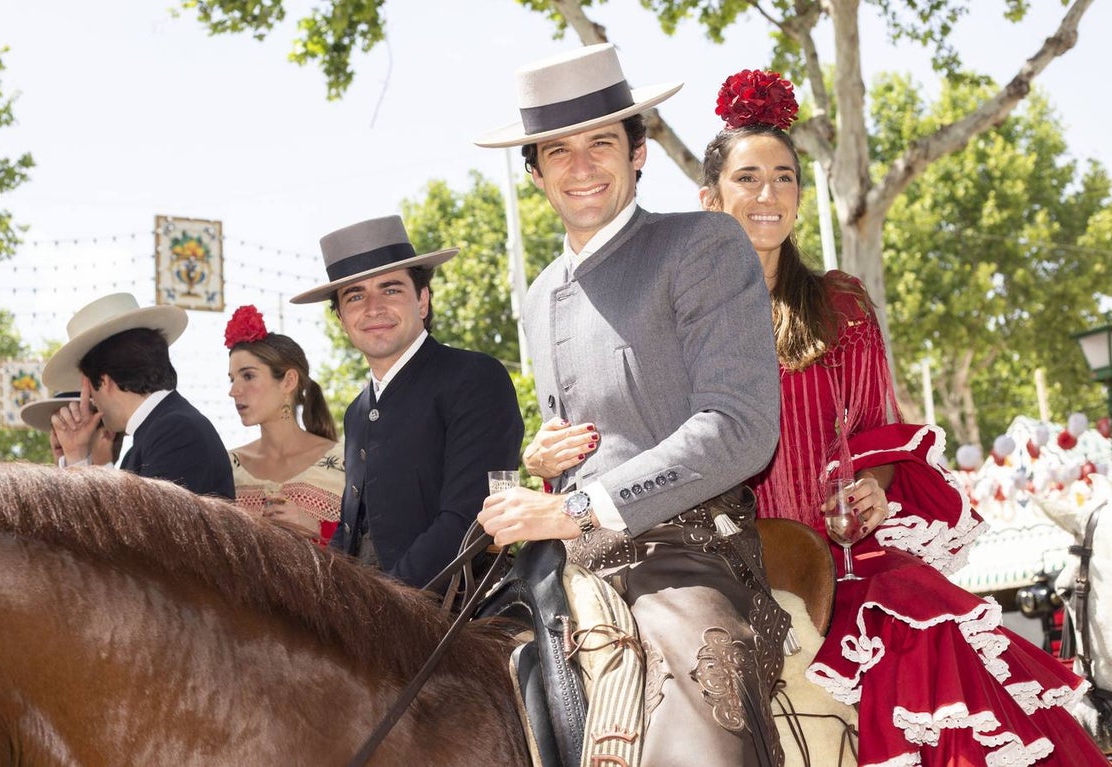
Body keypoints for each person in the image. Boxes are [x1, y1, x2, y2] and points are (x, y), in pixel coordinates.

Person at [697, 68, 1106, 766]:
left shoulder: (842, 306)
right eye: (748, 178)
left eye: (785, 177)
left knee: (930, 654)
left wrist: (875, 487)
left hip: (848, 563)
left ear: (801, 193)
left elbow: (876, 436)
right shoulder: (684, 320)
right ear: (710, 197)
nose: (769, 194)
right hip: (728, 563)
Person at [474, 44, 789, 766]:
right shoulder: (536, 293)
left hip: (685, 549)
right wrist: (544, 461)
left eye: (600, 145)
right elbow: (603, 421)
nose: (580, 168)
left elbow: (739, 429)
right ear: (535, 171)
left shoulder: (701, 244)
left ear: (638, 152)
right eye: (558, 151)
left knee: (698, 732)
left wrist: (576, 509)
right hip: (557, 557)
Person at [290, 215, 524, 589]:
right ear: (340, 318)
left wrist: (382, 603)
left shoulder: (474, 377)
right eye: (355, 296)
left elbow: (467, 520)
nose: (373, 307)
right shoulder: (356, 411)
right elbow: (353, 531)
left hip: (456, 615)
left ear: (423, 300)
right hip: (365, 612)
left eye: (391, 290)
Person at [42, 292, 235, 499]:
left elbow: (137, 529)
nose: (92, 401)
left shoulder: (176, 431)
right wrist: (77, 454)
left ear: (104, 382)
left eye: (88, 388)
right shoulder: (150, 439)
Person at [224, 304, 344, 544]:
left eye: (248, 376)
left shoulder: (343, 462)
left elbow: (368, 554)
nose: (234, 391)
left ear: (288, 381)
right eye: (232, 379)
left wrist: (315, 528)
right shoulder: (228, 466)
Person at [20, 391, 124, 466]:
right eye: (54, 424)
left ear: (108, 432)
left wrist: (76, 457)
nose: (56, 432)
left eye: (68, 421)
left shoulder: (126, 487)